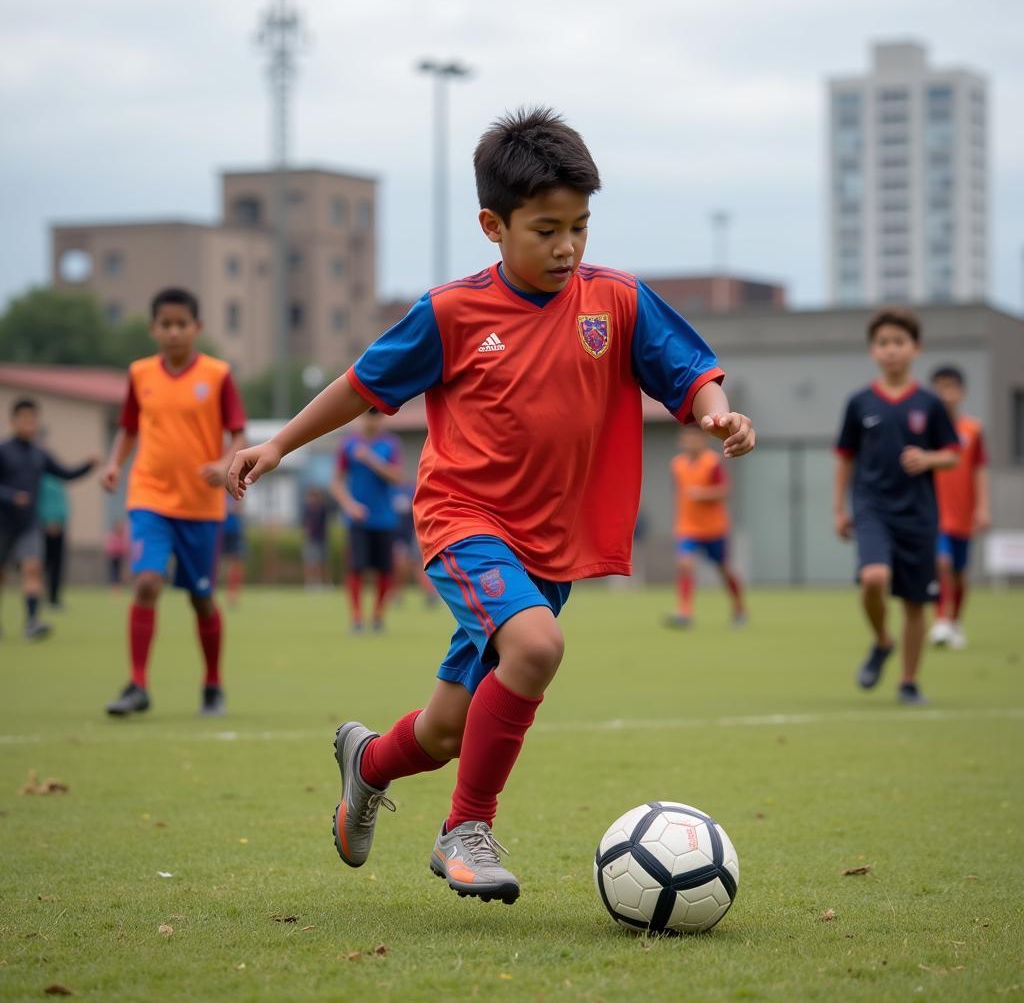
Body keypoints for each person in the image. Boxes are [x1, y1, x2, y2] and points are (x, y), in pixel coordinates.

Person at [228, 107, 755, 904]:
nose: (567, 246)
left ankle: (365, 764)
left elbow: (689, 370)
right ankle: (463, 829)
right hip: (465, 521)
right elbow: (361, 385)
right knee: (536, 648)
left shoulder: (614, 301)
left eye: (579, 226)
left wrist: (716, 409)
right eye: (546, 229)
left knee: (444, 732)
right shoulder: (451, 313)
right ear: (492, 225)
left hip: (552, 548)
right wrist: (279, 446)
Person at [100, 287, 246, 717]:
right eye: (166, 324)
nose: (174, 332)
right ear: (153, 329)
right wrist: (114, 464)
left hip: (201, 506)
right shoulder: (140, 374)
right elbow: (128, 428)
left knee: (201, 597)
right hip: (149, 496)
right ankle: (138, 685)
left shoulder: (218, 375)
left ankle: (213, 685)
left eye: (182, 324)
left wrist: (224, 463)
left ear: (197, 328)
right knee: (146, 582)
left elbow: (238, 431)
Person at [834, 309, 959, 705]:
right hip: (872, 507)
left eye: (898, 342)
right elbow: (845, 457)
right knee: (873, 578)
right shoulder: (858, 402)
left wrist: (929, 459)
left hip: (919, 514)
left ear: (915, 349)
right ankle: (882, 641)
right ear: (874, 350)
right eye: (884, 343)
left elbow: (953, 454)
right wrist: (839, 509)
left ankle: (908, 681)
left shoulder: (930, 403)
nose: (891, 350)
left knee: (915, 603)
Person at [0, 399, 96, 639]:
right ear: (14, 421)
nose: (28, 423)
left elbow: (65, 473)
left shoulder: (40, 454)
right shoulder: (4, 450)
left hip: (29, 523)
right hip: (3, 521)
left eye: (32, 419)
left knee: (33, 568)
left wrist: (88, 466)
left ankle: (32, 622)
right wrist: (11, 496)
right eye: (23, 418)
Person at [928, 365, 990, 649]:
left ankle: (955, 621)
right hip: (934, 511)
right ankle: (940, 619)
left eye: (951, 388)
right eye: (940, 388)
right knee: (941, 562)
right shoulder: (925, 430)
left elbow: (979, 470)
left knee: (959, 572)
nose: (946, 394)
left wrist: (983, 508)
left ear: (962, 392)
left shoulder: (972, 430)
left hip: (963, 510)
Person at [666, 425, 746, 627]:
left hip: (713, 528)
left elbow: (725, 491)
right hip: (688, 527)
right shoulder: (677, 464)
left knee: (724, 569)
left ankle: (739, 608)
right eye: (686, 438)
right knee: (685, 564)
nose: (689, 442)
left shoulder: (712, 462)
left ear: (703, 440)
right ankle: (685, 611)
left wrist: (703, 494)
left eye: (694, 438)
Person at [330, 409, 402, 631]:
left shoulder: (390, 445)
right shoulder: (347, 445)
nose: (371, 419)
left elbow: (397, 477)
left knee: (385, 571)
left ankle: (378, 617)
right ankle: (357, 618)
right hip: (358, 520)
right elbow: (337, 482)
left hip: (385, 519)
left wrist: (370, 458)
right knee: (356, 569)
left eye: (375, 415)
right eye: (367, 415)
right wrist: (349, 505)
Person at [38, 473, 68, 609]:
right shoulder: (41, 481)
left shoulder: (58, 480)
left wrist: (60, 521)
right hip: (44, 528)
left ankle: (54, 598)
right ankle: (38, 597)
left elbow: (63, 505)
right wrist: (48, 521)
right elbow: (41, 504)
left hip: (59, 528)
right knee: (41, 565)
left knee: (57, 565)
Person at [301, 486, 331, 589]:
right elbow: (304, 524)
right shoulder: (307, 509)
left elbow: (326, 523)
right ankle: (310, 583)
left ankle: (325, 583)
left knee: (323, 561)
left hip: (322, 538)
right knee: (310, 561)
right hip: (311, 539)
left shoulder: (323, 508)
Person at [221, 492, 246, 608]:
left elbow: (239, 508)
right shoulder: (219, 493)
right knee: (222, 564)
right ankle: (222, 591)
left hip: (235, 532)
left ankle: (233, 593)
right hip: (221, 531)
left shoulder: (236, 491)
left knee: (236, 564)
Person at [105, 517, 128, 589]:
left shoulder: (123, 535)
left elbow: (125, 546)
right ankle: (114, 586)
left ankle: (119, 585)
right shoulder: (112, 535)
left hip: (120, 556)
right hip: (113, 556)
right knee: (113, 571)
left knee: (119, 572)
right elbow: (109, 545)